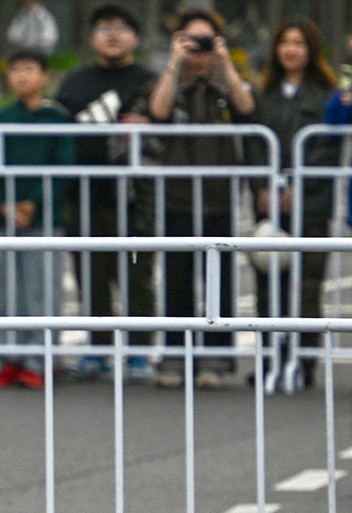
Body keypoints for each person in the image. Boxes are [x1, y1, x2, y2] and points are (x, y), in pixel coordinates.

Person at [147, 7, 254, 389]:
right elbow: (157, 112)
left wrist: (224, 63)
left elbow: (247, 108)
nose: (199, 48)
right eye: (191, 39)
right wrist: (175, 62)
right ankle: (175, 356)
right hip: (177, 195)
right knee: (176, 279)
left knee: (219, 280)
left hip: (219, 195)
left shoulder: (224, 83)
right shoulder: (172, 81)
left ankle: (217, 357)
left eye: (206, 40)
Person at [54, 3, 158, 382]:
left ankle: (138, 353)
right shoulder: (74, 83)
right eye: (103, 27)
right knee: (91, 277)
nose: (112, 35)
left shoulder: (149, 81)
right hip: (83, 196)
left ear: (135, 37)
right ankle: (97, 349)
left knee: (136, 276)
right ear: (92, 37)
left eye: (120, 28)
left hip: (134, 197)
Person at [247, 17, 337, 391]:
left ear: (311, 50)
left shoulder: (327, 96)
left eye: (299, 43)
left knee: (306, 288)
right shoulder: (263, 94)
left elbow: (327, 147)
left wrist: (298, 185)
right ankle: (270, 359)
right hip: (268, 205)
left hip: (311, 205)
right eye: (285, 42)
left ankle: (303, 363)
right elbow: (253, 143)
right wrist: (261, 185)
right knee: (268, 284)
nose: (291, 49)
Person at [0, 51, 75, 389]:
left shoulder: (57, 118)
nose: (21, 76)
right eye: (15, 69)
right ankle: (9, 358)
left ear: (45, 76)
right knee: (7, 293)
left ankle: (40, 359)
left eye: (29, 69)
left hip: (45, 219)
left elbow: (64, 166)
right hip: (8, 222)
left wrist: (34, 204)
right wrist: (1, 205)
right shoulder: (1, 117)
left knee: (42, 292)